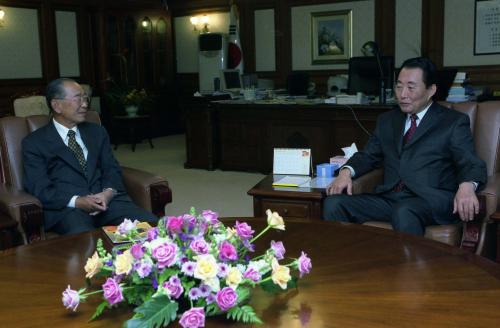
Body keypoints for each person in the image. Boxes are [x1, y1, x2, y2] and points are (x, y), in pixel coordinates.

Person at [323, 57, 487, 235]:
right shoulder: (387, 120)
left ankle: (408, 264)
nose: (402, 94)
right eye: (399, 86)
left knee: (405, 210)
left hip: (431, 199)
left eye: (411, 87)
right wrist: (345, 172)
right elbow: (368, 155)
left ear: (431, 90)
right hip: (391, 198)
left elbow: (469, 161)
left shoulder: (452, 122)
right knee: (334, 203)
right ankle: (349, 261)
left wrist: (467, 186)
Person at [22, 78, 158, 235]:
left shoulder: (97, 132)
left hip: (107, 203)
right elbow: (39, 188)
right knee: (87, 244)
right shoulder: (34, 143)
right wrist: (78, 201)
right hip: (68, 210)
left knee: (152, 227)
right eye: (78, 98)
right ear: (56, 105)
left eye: (85, 98)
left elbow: (111, 168)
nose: (85, 104)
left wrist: (108, 193)